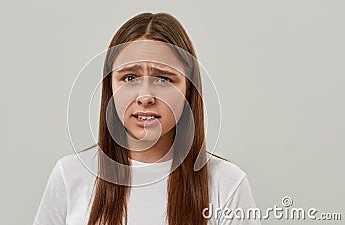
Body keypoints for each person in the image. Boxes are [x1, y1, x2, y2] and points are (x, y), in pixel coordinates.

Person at [33, 12, 261, 225]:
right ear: (110, 87)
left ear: (189, 90)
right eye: (130, 77)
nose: (145, 97)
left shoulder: (226, 183)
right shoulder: (70, 174)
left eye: (164, 79)